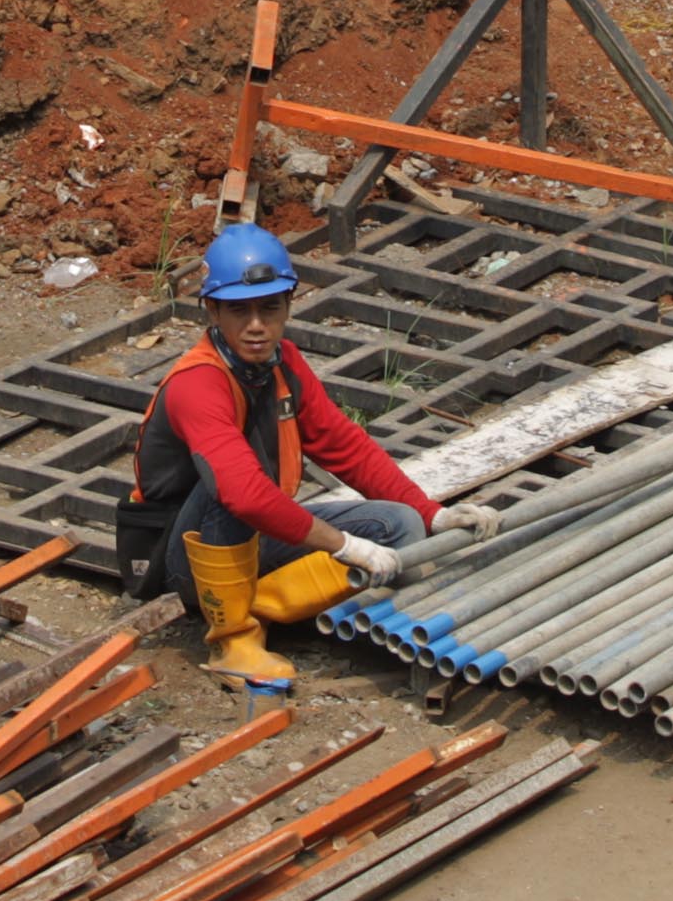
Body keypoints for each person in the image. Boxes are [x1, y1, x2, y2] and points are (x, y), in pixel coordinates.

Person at [125, 223, 439, 694]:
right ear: (211, 310)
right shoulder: (198, 382)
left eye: (270, 308)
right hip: (183, 556)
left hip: (252, 536)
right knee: (230, 488)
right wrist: (343, 546)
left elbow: (343, 446)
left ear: (289, 304)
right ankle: (233, 638)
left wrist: (435, 514)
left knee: (401, 526)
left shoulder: (283, 362)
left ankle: (264, 607)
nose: (256, 325)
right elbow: (244, 496)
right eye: (239, 310)